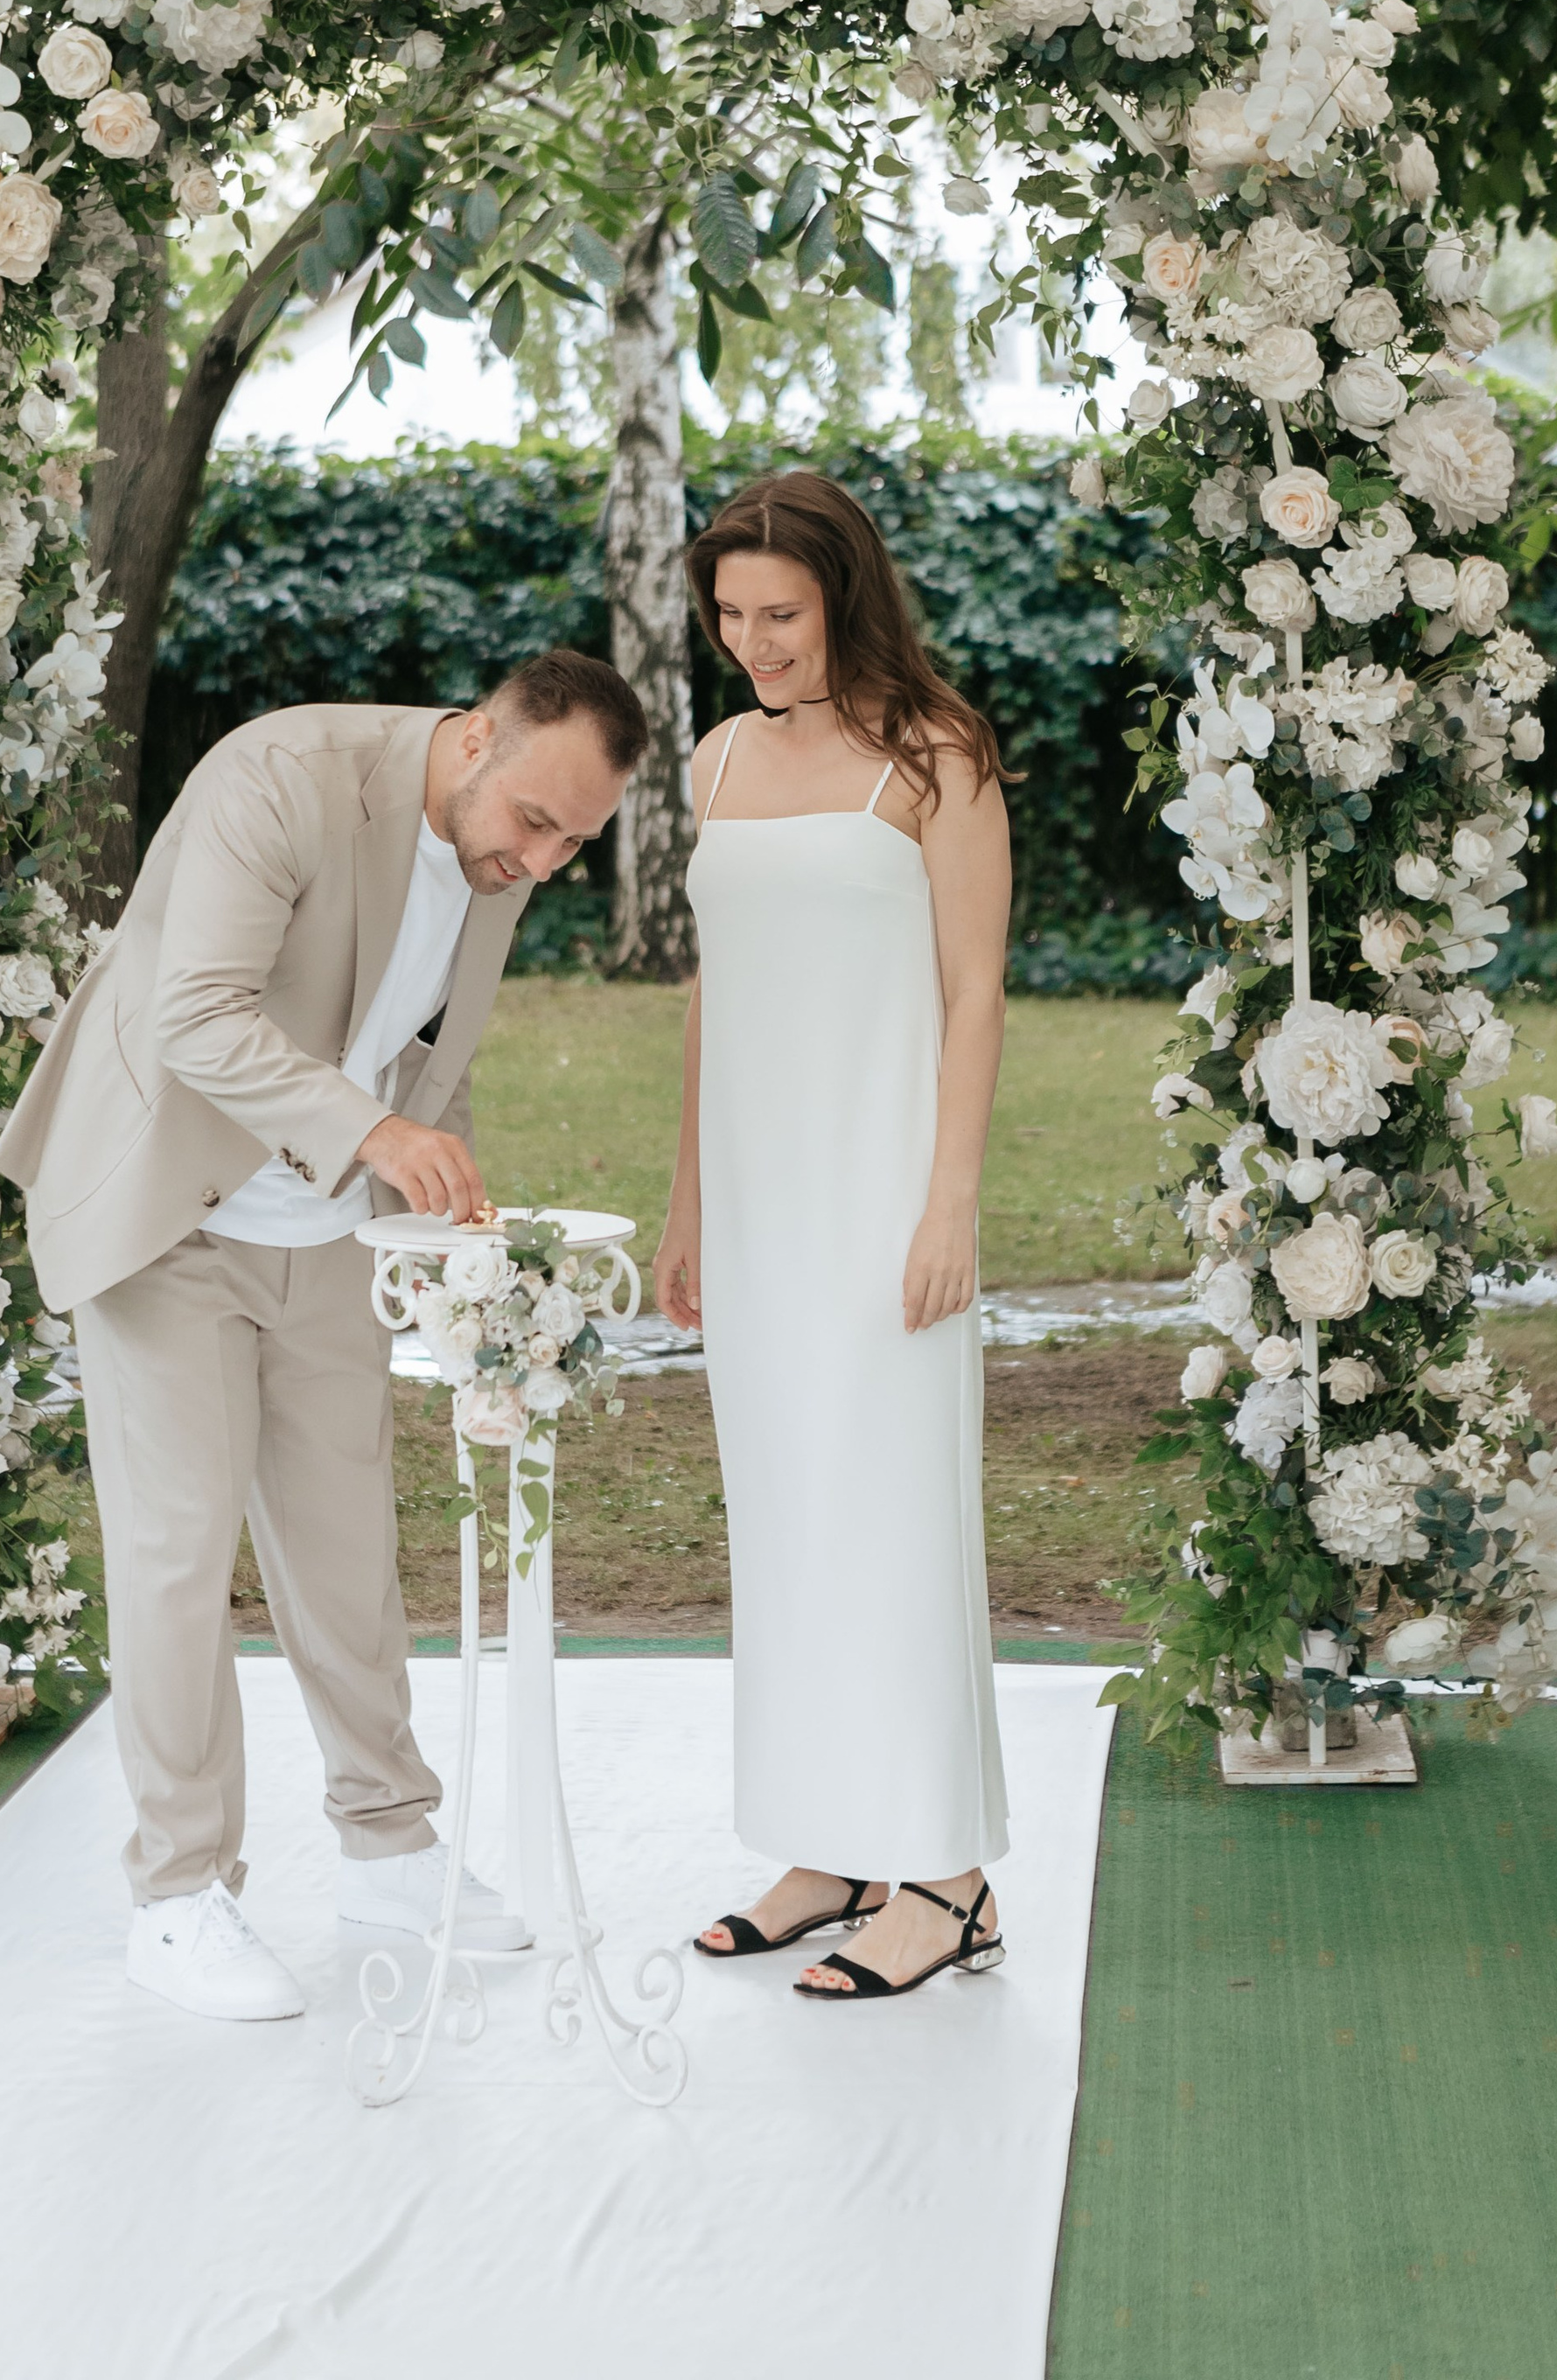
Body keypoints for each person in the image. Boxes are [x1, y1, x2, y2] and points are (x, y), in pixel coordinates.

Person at [0, 652, 647, 2021]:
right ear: (473, 742)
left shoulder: (497, 858)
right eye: (534, 820)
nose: (542, 858)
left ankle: (390, 1849)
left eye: (575, 841)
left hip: (325, 1237)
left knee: (349, 1550)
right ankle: (177, 1898)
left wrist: (445, 1218)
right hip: (172, 1209)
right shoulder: (280, 778)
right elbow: (196, 1015)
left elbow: (428, 1059)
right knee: (179, 1557)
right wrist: (379, 1136)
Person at [656, 470, 1014, 2000]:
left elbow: (976, 993)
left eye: (780, 615)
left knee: (890, 1516)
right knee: (788, 1514)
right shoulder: (718, 760)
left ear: (845, 599)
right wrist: (685, 1202)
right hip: (754, 1199)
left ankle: (945, 1875)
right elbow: (713, 996)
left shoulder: (937, 757)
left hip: (882, 1199)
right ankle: (826, 1843)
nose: (753, 642)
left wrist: (949, 1202)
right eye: (731, 616)